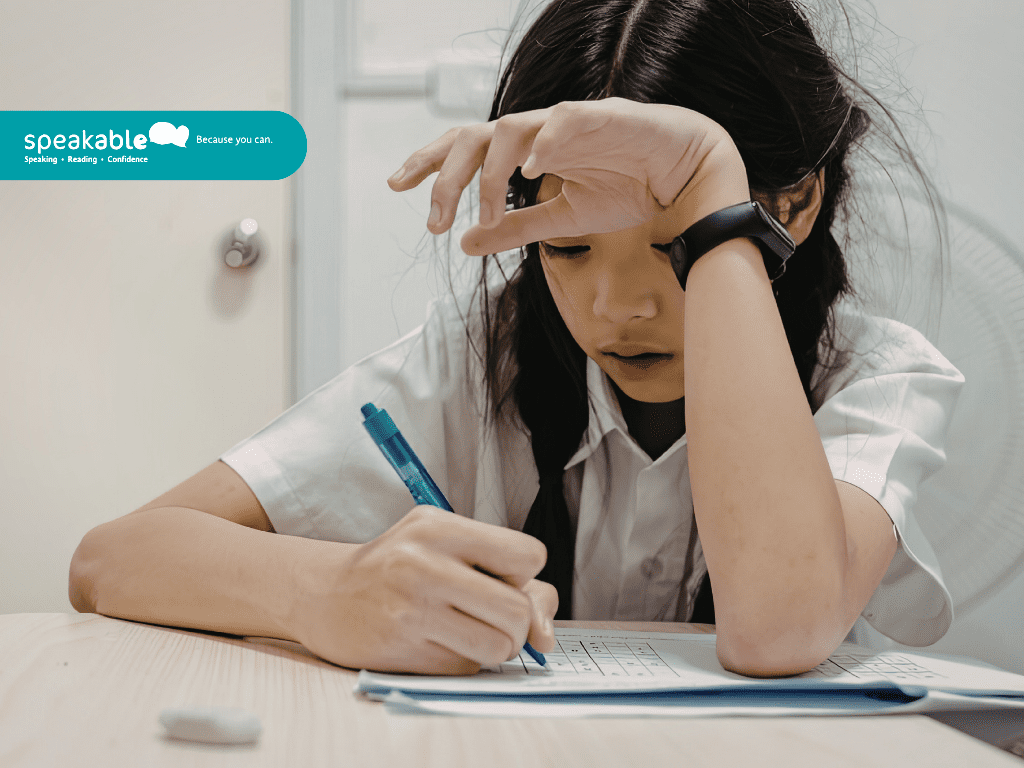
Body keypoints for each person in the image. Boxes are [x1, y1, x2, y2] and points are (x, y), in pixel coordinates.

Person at [69, 0, 964, 678]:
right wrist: (326, 593)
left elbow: (781, 628)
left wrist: (713, 196)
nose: (617, 306)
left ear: (797, 202)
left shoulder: (871, 378)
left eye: (674, 246)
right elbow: (112, 559)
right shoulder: (478, 359)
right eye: (568, 248)